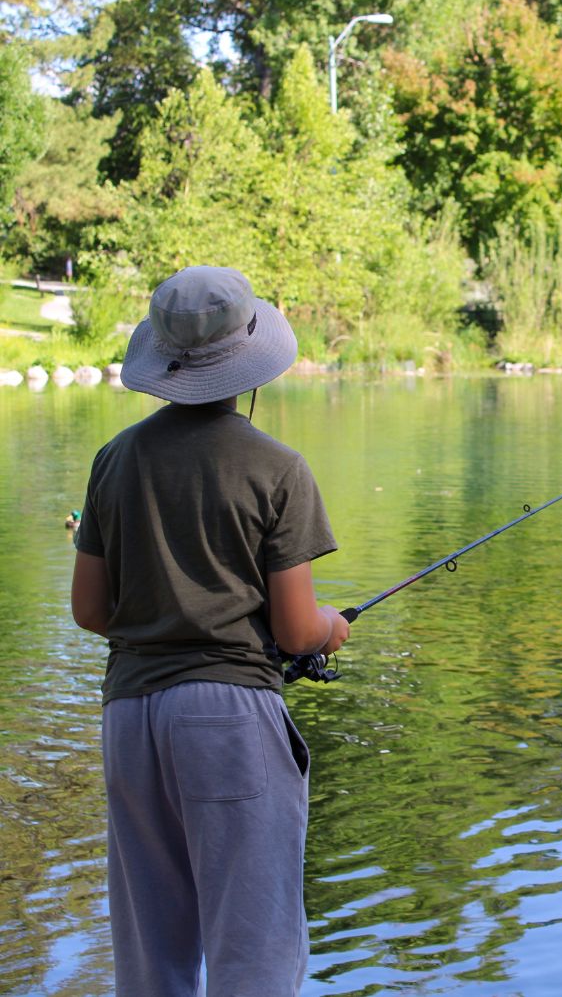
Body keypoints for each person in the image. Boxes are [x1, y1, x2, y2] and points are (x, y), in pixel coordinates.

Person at [69, 265, 350, 997]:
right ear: (248, 365)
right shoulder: (277, 468)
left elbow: (90, 611)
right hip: (228, 721)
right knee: (253, 951)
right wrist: (331, 628)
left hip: (130, 718)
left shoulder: (114, 460)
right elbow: (295, 631)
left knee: (150, 955)